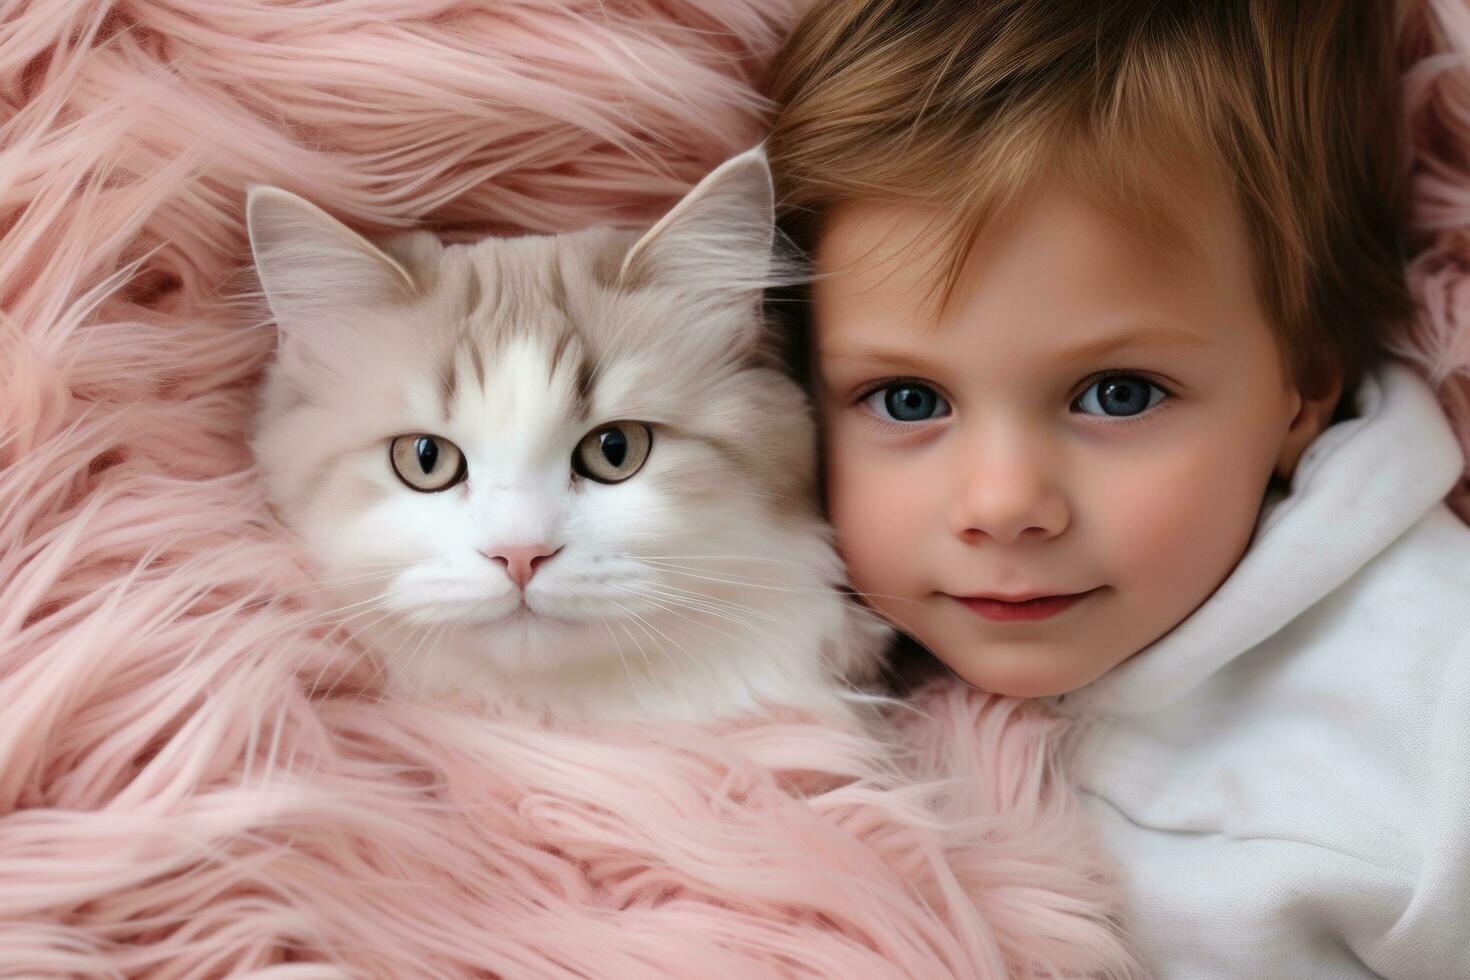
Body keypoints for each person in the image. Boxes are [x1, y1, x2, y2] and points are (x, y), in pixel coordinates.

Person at [761, 1, 1470, 976]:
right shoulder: (780, 681)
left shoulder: (1435, 704)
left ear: (1301, 385)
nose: (1002, 501)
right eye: (907, 397)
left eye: (1118, 393)